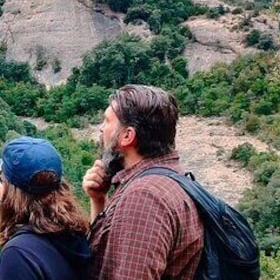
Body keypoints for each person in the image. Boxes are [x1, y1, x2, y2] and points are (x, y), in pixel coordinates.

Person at [82, 84, 204, 280]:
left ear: (127, 136)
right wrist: (99, 201)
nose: (101, 128)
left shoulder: (145, 198)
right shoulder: (172, 179)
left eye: (107, 121)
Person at [0, 136, 91, 280]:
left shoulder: (19, 254)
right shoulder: (75, 235)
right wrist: (6, 194)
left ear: (11, 190)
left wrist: (7, 198)